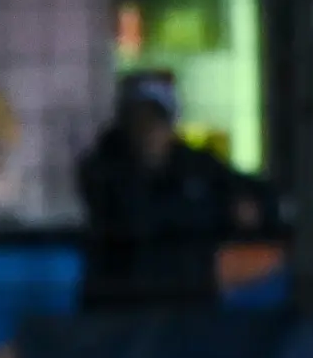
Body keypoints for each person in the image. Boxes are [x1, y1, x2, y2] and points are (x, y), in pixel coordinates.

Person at [75, 72, 279, 310]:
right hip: (121, 312)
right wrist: (212, 210)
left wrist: (248, 208)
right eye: (138, 118)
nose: (148, 129)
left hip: (188, 311)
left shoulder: (196, 165)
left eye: (155, 119)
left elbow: (260, 195)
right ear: (124, 122)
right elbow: (139, 216)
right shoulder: (103, 169)